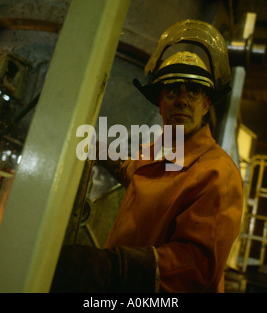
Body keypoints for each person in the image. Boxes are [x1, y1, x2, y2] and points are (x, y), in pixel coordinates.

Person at [51, 20, 243, 293]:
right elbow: (136, 174)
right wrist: (93, 143)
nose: (183, 99)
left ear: (206, 103)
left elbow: (197, 266)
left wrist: (112, 267)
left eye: (194, 90)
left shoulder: (219, 173)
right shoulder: (163, 149)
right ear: (160, 102)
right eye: (173, 89)